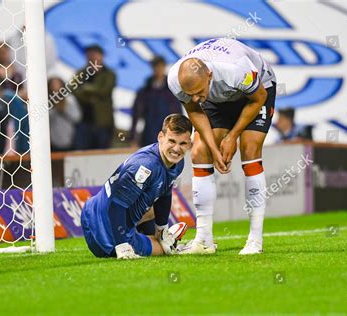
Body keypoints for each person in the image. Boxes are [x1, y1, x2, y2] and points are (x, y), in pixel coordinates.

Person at [167, 38, 277, 255]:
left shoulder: (236, 69)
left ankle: (255, 240)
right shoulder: (176, 80)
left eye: (199, 92)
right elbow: (196, 110)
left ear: (209, 74)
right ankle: (204, 240)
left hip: (255, 91)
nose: (196, 98)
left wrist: (232, 137)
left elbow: (258, 99)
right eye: (191, 95)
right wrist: (215, 148)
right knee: (199, 152)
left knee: (249, 147)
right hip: (217, 99)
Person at [81, 114, 192, 259]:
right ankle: (173, 245)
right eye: (172, 141)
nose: (177, 149)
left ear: (189, 143)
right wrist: (122, 246)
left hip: (93, 211)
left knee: (151, 206)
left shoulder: (177, 163)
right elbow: (116, 205)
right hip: (105, 230)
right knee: (163, 251)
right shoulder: (145, 166)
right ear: (160, 137)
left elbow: (165, 192)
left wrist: (162, 229)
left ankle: (163, 236)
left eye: (183, 143)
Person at [130, 56, 183, 147]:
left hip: (168, 135)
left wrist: (180, 135)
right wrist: (133, 137)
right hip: (148, 135)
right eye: (156, 67)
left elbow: (178, 115)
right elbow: (136, 114)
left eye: (160, 66)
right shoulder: (144, 91)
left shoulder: (172, 90)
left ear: (164, 67)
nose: (158, 69)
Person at [72, 44, 116, 149]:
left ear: (101, 56)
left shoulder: (109, 74)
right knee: (82, 152)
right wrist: (89, 98)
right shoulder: (81, 73)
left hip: (103, 123)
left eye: (94, 55)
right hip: (84, 121)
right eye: (89, 55)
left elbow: (104, 91)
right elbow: (73, 89)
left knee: (102, 154)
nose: (91, 57)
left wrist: (87, 88)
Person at [48, 77, 82, 151]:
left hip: (70, 138)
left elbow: (77, 117)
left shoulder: (70, 99)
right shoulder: (46, 101)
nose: (56, 86)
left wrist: (64, 110)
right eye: (53, 84)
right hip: (52, 141)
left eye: (57, 84)